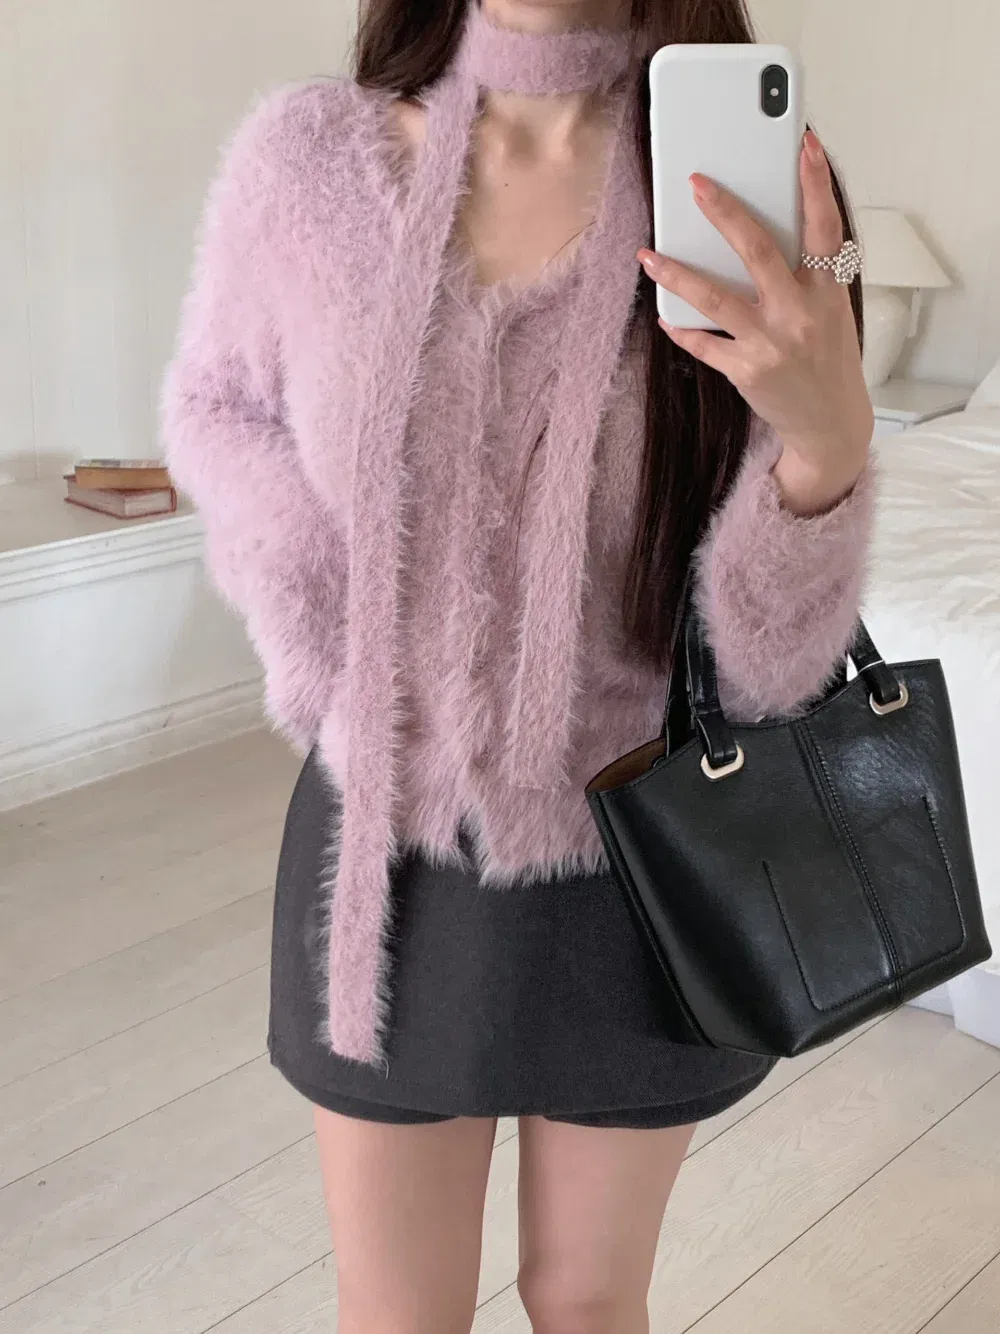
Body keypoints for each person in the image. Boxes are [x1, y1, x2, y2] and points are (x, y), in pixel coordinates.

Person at [162, 0, 875, 1329]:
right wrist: (323, 650)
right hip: (385, 854)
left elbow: (769, 671)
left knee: (587, 1303)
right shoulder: (307, 162)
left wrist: (829, 451)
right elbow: (218, 409)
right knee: (398, 1312)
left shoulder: (747, 189)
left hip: (643, 860)